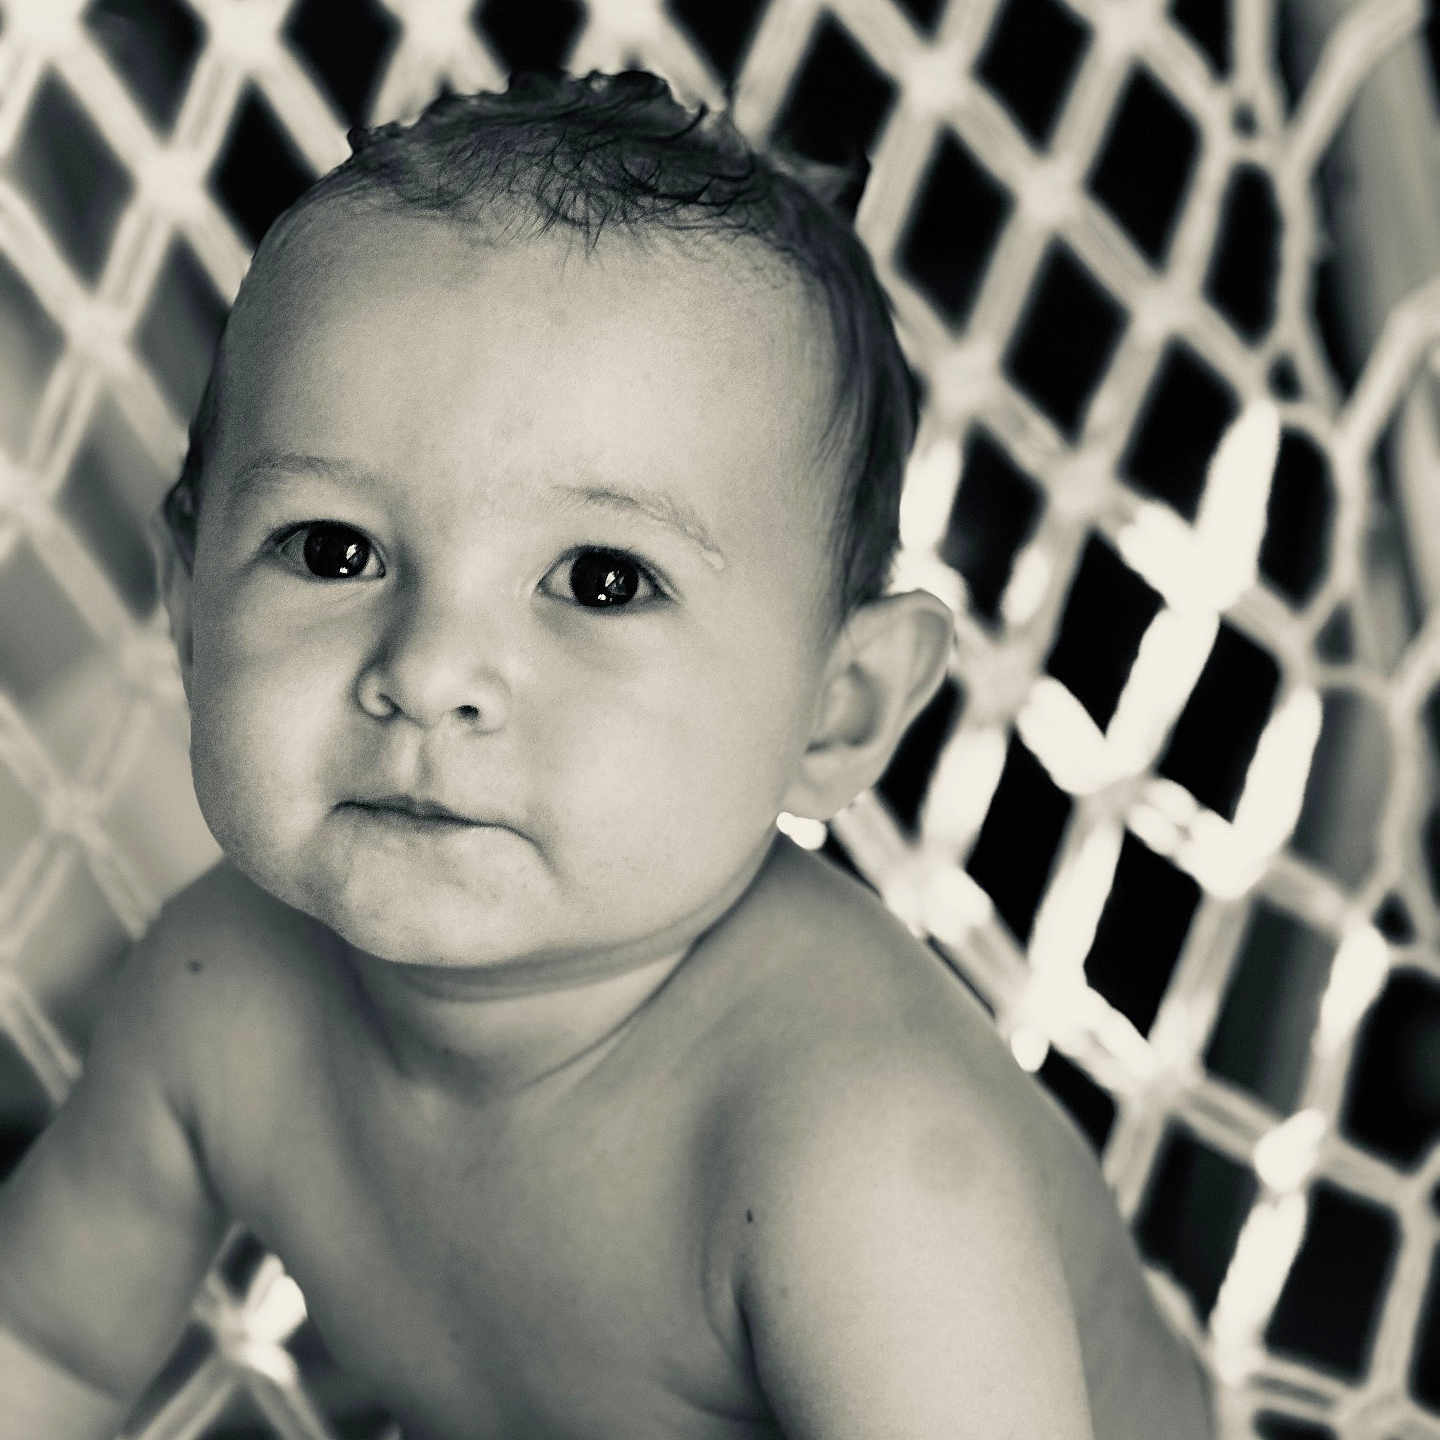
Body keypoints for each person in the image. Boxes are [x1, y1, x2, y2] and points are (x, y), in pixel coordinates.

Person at [0, 70, 1213, 1440]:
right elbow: (43, 1343)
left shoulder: (850, 1162)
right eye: (334, 551)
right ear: (188, 608)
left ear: (840, 714)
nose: (432, 672)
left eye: (599, 580)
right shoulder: (222, 998)